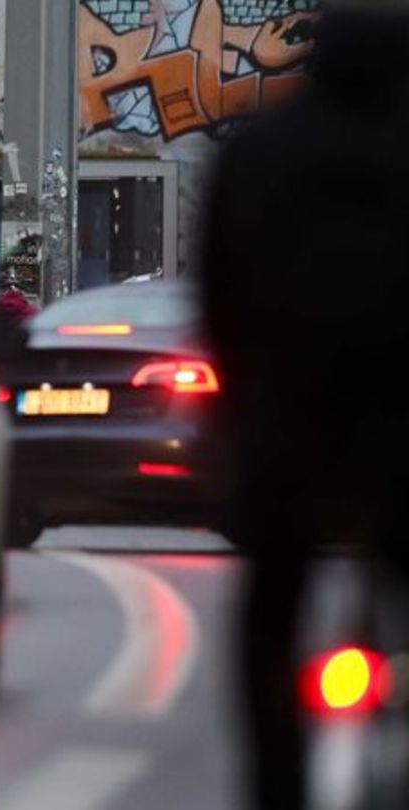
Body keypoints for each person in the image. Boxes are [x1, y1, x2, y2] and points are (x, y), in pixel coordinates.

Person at [201, 5, 409, 808]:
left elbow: (220, 297)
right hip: (399, 433)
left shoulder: (260, 152)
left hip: (288, 430)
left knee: (270, 611)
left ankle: (274, 780)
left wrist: (234, 418)